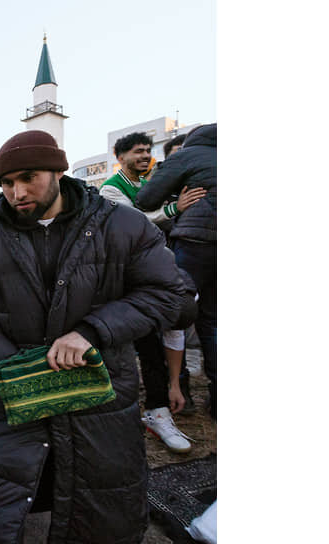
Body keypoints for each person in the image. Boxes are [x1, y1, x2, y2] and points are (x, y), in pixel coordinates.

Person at [0, 130, 185, 543]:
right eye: (6, 183)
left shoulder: (121, 225)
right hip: (16, 397)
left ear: (58, 170)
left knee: (101, 513)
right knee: (0, 515)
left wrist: (92, 332)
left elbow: (168, 294)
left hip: (101, 398)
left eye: (28, 178)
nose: (16, 192)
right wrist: (14, 365)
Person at [99, 132, 205, 452]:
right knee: (138, 345)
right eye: (136, 152)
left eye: (148, 150)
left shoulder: (157, 184)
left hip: (164, 271)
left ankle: (163, 401)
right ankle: (139, 412)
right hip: (127, 278)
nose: (144, 155)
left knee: (172, 327)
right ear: (120, 157)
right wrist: (174, 210)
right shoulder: (110, 189)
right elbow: (134, 223)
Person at [136, 123, 217, 419]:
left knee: (177, 312)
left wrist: (174, 202)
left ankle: (178, 391)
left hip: (196, 242)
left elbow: (145, 200)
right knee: (214, 321)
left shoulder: (190, 155)